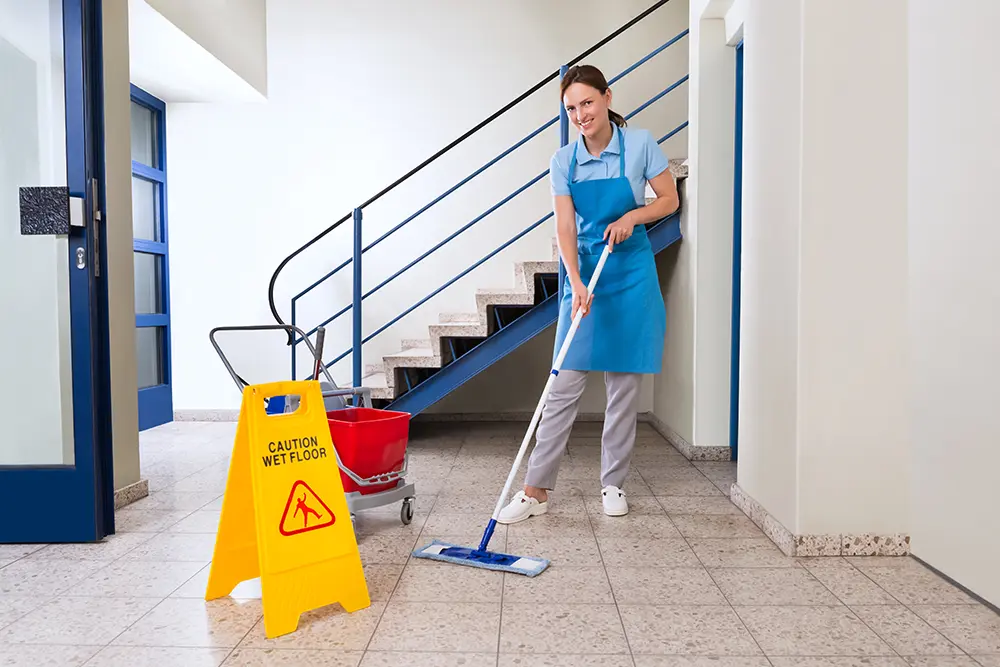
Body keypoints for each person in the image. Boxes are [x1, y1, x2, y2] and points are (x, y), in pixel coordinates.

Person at [497, 64, 679, 523]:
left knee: (623, 387)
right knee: (562, 385)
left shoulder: (639, 144)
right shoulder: (564, 161)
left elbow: (669, 199)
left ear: (607, 98)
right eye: (571, 108)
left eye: (587, 103)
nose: (580, 114)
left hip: (631, 273)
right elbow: (563, 226)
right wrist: (575, 283)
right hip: (585, 275)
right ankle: (535, 491)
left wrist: (633, 217)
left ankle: (613, 484)